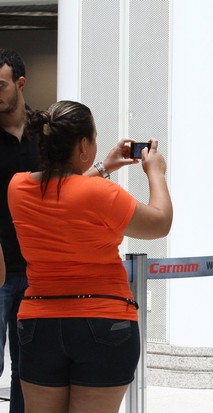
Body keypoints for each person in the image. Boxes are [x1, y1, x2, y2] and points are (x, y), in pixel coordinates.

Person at [7, 100, 173, 413]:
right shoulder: (101, 195)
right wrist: (156, 172)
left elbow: (64, 194)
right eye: (94, 139)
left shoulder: (17, 188)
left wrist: (104, 167)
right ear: (83, 146)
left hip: (39, 323)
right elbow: (160, 222)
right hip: (103, 320)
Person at [0, 48, 39, 413]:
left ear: (20, 83)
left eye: (0, 85)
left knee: (27, 369)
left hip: (37, 272)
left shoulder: (46, 130)